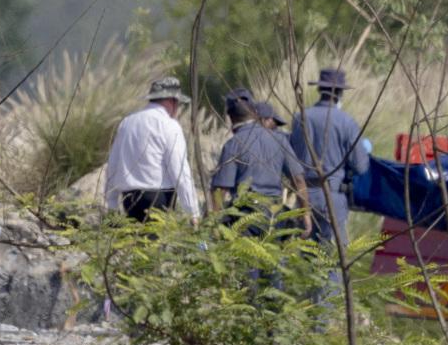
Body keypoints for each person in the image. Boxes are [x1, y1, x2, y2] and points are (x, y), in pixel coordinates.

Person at [290, 68, 371, 313]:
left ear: (320, 90)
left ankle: (305, 313)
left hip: (304, 196)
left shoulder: (300, 117)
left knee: (306, 258)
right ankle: (326, 320)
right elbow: (360, 165)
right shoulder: (346, 122)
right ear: (339, 94)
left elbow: (292, 158)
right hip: (333, 198)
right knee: (332, 260)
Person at [208, 90, 310, 237]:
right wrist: (305, 213)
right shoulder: (280, 140)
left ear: (230, 117)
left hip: (245, 218)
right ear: (254, 112)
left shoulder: (233, 144)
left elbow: (220, 190)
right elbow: (299, 180)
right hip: (275, 217)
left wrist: (214, 225)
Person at [102, 76, 202, 221]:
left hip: (129, 199)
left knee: (135, 242)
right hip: (158, 199)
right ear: (172, 101)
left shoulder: (127, 123)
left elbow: (113, 164)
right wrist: (193, 212)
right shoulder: (169, 125)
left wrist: (111, 203)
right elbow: (180, 172)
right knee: (156, 242)